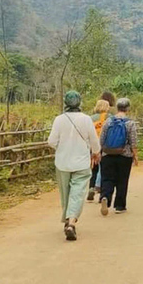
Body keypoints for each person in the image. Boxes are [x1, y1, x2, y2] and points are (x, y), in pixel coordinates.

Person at [47, 91, 101, 241]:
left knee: (65, 193)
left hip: (62, 162)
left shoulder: (59, 120)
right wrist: (96, 152)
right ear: (80, 102)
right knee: (77, 193)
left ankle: (66, 221)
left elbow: (51, 141)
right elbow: (94, 141)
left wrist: (62, 147)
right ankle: (71, 222)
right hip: (82, 163)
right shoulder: (86, 119)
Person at [98, 97, 138, 215]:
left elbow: (101, 139)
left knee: (107, 178)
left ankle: (105, 196)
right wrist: (135, 155)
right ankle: (120, 206)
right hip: (124, 155)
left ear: (117, 108)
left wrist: (101, 152)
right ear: (128, 108)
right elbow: (133, 141)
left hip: (107, 154)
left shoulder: (108, 121)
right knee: (122, 180)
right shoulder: (130, 123)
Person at [88, 99, 112, 202]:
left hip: (93, 145)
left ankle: (91, 188)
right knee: (104, 169)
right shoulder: (109, 117)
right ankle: (102, 192)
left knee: (94, 168)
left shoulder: (90, 118)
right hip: (105, 146)